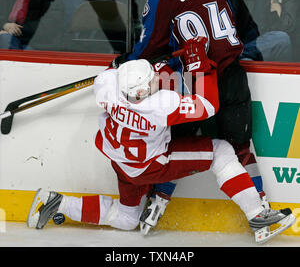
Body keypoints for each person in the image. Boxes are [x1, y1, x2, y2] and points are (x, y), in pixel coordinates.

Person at [27, 37, 295, 244]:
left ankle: (55, 202)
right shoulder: (160, 106)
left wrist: (147, 64)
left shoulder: (107, 86)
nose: (157, 77)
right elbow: (208, 105)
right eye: (152, 78)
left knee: (126, 218)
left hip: (122, 164)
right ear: (143, 91)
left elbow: (115, 70)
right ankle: (258, 217)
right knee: (221, 150)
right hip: (151, 165)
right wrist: (200, 67)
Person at [111, 0, 268, 232]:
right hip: (233, 75)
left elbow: (147, 48)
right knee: (241, 146)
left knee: (176, 145)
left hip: (196, 81)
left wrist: (125, 62)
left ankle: (155, 205)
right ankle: (262, 210)